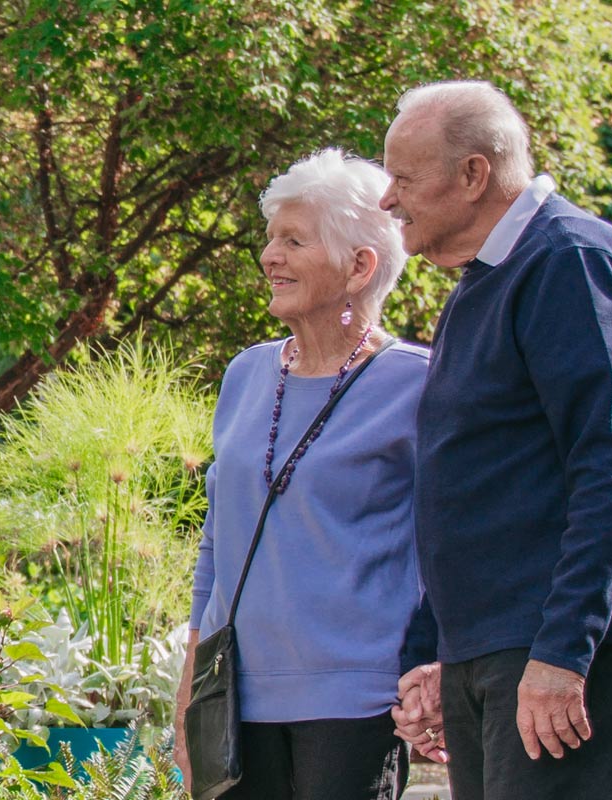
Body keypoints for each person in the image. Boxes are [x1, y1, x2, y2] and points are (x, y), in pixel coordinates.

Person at [383, 80, 612, 800]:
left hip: (553, 641)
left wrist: (563, 651)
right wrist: (434, 653)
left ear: (474, 174)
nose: (388, 200)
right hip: (493, 641)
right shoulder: (480, 283)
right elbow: (467, 484)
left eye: (403, 178)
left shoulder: (568, 259)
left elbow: (609, 464)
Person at [176, 148, 429, 800]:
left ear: (359, 266)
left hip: (355, 701)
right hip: (234, 695)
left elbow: (447, 547)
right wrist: (190, 681)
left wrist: (431, 671)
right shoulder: (245, 375)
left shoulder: (419, 385)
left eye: (293, 240)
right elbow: (218, 540)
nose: (268, 256)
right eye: (269, 239)